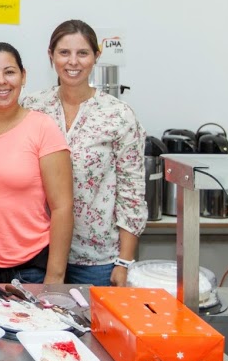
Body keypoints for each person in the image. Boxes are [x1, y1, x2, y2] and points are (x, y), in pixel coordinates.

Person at [23, 20, 147, 286]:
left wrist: (124, 262)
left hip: (96, 258)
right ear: (51, 56)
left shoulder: (117, 115)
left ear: (96, 57)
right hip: (37, 254)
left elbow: (132, 192)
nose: (73, 62)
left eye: (82, 53)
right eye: (64, 52)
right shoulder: (33, 106)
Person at [0, 42, 74, 284]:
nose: (1, 81)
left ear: (23, 76)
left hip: (32, 269)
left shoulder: (42, 127)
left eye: (9, 72)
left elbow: (62, 208)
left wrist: (54, 278)